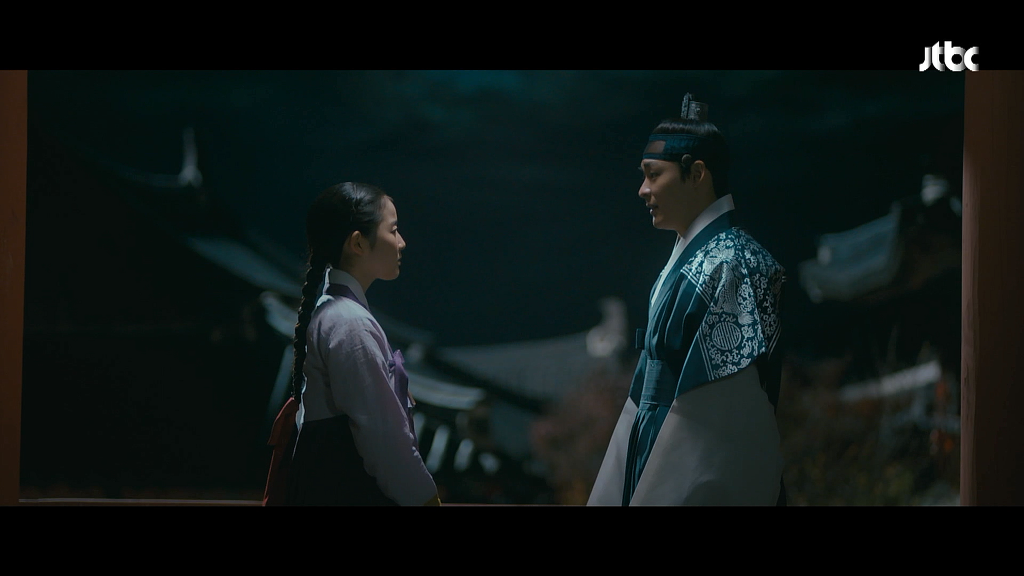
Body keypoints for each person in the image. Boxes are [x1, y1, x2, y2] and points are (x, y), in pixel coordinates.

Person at [587, 94, 786, 506]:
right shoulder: (694, 259)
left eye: (653, 175)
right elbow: (646, 383)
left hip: (692, 458)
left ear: (697, 174)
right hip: (655, 438)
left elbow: (724, 407)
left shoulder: (733, 263)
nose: (643, 190)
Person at [265, 182, 440, 506]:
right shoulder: (350, 323)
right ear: (358, 242)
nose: (401, 242)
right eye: (393, 230)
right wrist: (427, 501)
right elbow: (385, 441)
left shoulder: (337, 314)